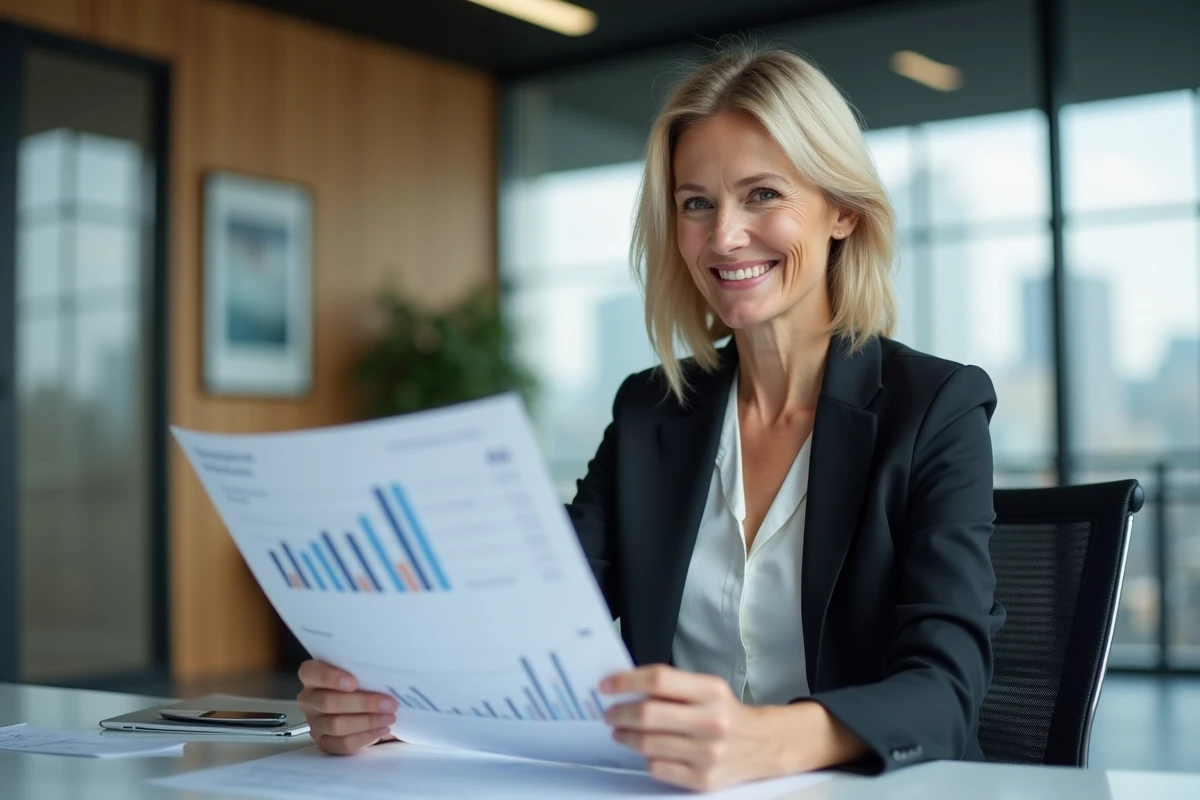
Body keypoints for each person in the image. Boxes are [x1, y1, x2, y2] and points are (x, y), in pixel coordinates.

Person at [297, 45, 1005, 792]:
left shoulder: (936, 408)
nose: (724, 236)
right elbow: (536, 611)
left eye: (762, 194)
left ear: (842, 212)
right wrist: (380, 694)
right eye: (696, 202)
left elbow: (946, 690)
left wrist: (765, 739)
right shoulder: (651, 410)